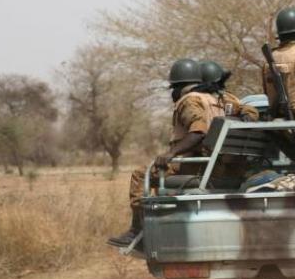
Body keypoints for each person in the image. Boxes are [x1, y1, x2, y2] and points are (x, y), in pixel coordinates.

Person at [108, 59, 258, 248]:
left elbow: (198, 132)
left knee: (140, 174)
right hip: (220, 166)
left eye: (173, 88)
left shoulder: (190, 100)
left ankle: (137, 231)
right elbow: (249, 110)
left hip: (197, 166)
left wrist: (171, 153)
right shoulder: (224, 100)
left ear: (179, 87)